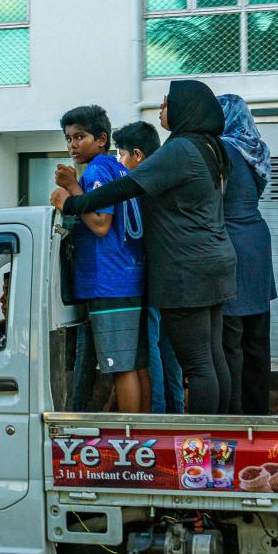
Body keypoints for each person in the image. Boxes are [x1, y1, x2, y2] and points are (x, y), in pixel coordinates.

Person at [54, 80, 234, 415]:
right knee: (211, 356)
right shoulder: (212, 149)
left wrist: (71, 202)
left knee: (196, 363)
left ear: (186, 109)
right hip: (213, 261)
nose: (162, 109)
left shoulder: (180, 149)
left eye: (167, 103)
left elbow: (123, 189)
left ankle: (203, 446)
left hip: (186, 268)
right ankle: (219, 440)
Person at [59, 105, 150, 414]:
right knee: (136, 365)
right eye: (68, 138)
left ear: (101, 139)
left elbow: (100, 224)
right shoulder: (121, 169)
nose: (72, 145)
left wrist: (70, 197)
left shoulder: (98, 169)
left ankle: (131, 439)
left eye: (80, 137)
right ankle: (143, 432)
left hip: (107, 280)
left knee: (119, 367)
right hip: (131, 277)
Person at [115, 120, 184, 414]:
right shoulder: (168, 175)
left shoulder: (142, 183)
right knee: (170, 346)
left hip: (152, 274)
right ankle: (176, 410)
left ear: (138, 155)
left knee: (151, 343)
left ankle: (156, 411)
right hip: (177, 273)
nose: (120, 161)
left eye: (122, 154)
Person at [218, 94, 276, 414]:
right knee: (257, 339)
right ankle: (260, 413)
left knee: (231, 341)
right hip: (257, 240)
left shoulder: (222, 149)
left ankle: (237, 418)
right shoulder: (257, 148)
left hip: (233, 241)